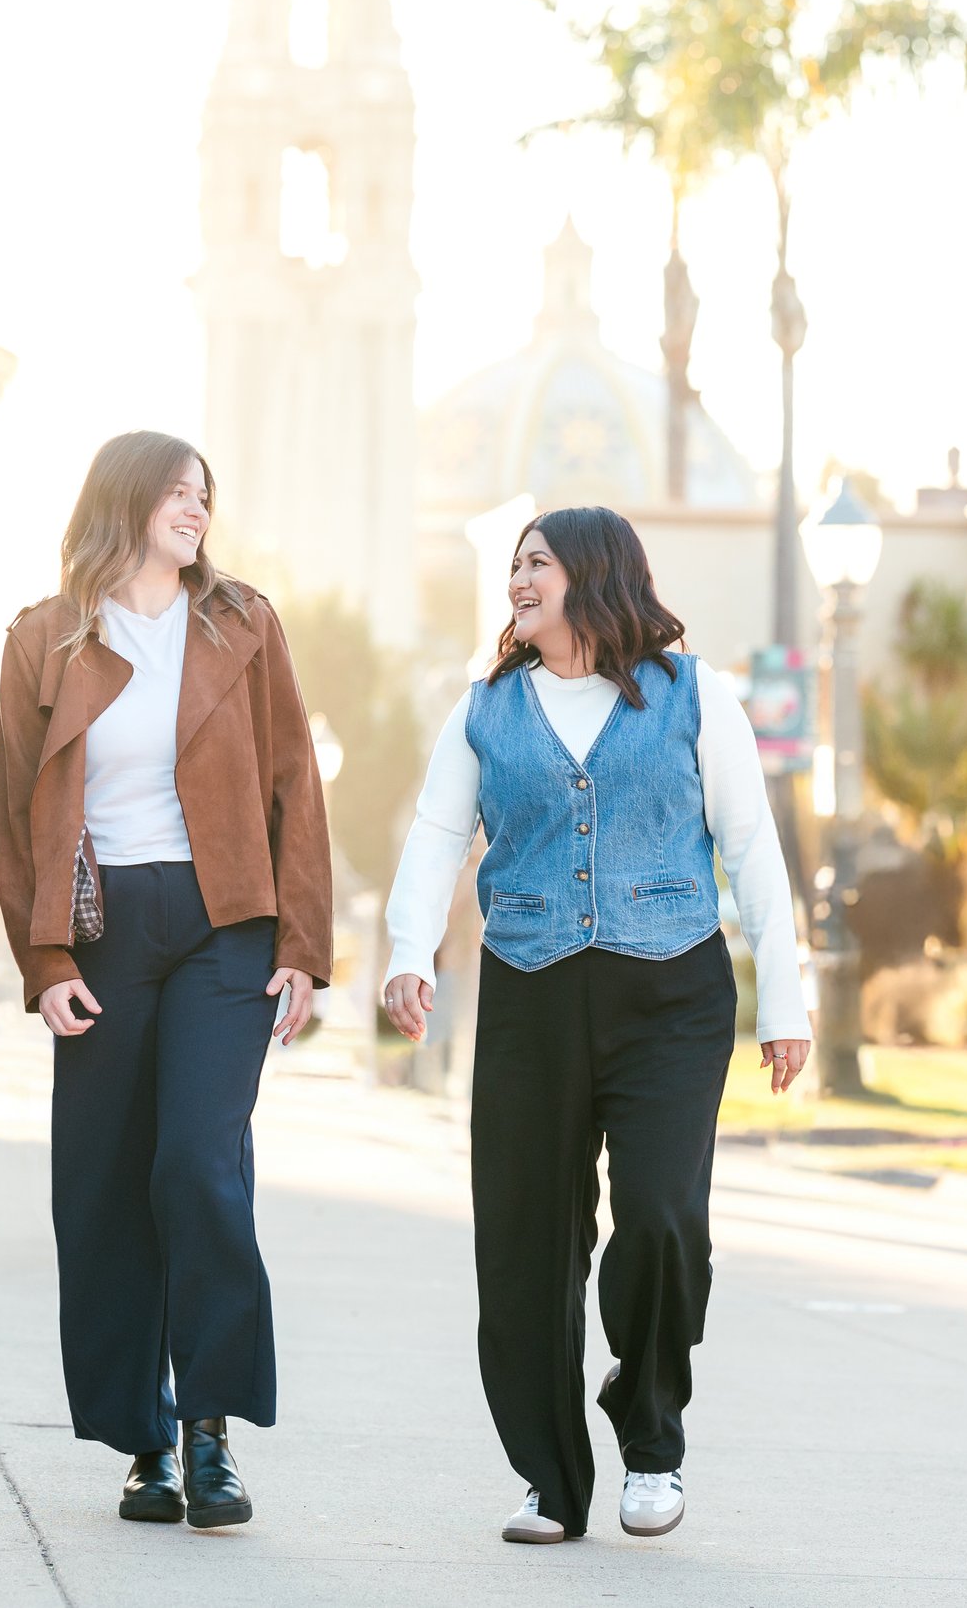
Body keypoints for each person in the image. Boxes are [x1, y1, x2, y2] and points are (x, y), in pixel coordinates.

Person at [380, 505, 810, 1545]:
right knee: (525, 1242)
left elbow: (750, 845)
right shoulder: (485, 706)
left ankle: (651, 1436)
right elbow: (438, 832)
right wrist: (408, 950)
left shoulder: (695, 693)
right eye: (514, 565)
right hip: (529, 993)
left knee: (660, 1217)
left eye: (538, 563)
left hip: (671, 994)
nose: (517, 580)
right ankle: (551, 1478)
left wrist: (785, 999)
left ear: (594, 574)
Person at [0, 429, 332, 1530]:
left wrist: (302, 943)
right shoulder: (45, 637)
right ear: (126, 501)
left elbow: (294, 780)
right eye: (178, 492)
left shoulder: (242, 621)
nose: (196, 510)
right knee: (104, 1187)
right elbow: (12, 814)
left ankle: (210, 1429)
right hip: (101, 935)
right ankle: (146, 1439)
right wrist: (42, 960)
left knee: (196, 1164)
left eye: (204, 495)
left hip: (224, 923)